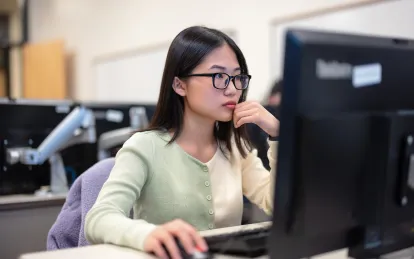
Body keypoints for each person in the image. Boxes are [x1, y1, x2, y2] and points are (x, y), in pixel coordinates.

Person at [84, 26, 280, 259]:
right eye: (218, 76)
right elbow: (99, 217)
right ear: (179, 85)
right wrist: (147, 235)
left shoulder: (235, 148)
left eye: (237, 77)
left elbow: (277, 204)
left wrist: (278, 135)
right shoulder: (145, 147)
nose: (232, 89)